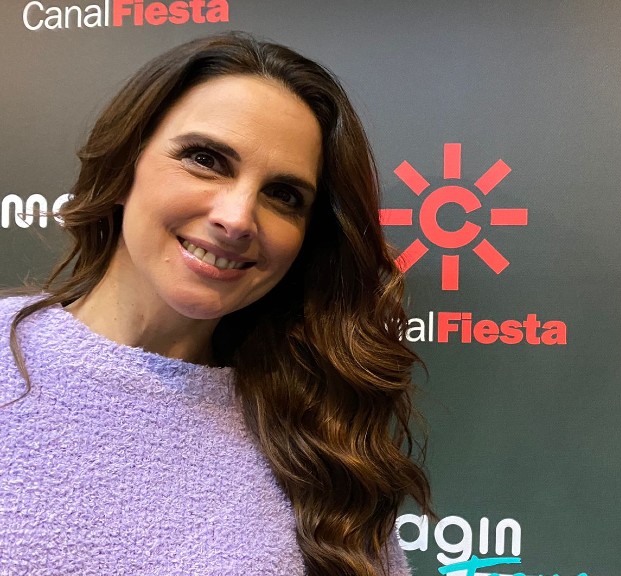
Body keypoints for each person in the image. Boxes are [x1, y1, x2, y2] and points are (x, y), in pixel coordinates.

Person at [0, 32, 431, 576]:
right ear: (125, 164)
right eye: (205, 160)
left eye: (284, 195)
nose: (237, 218)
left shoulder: (321, 438)